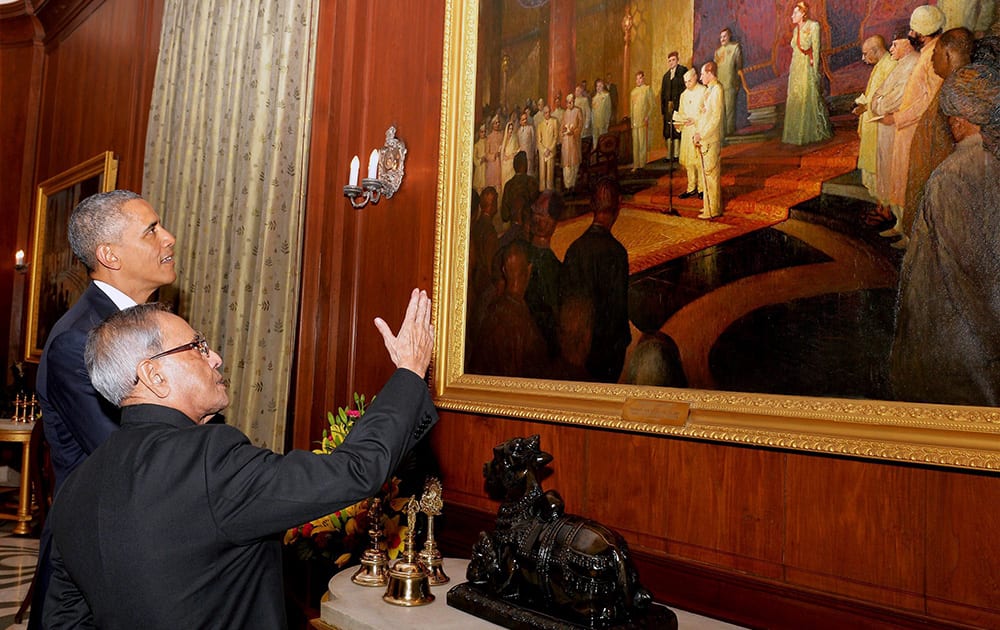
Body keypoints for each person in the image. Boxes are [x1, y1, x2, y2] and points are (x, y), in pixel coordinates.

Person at [44, 291, 437, 629]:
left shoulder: (77, 485)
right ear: (154, 376)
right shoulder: (206, 457)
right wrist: (409, 373)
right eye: (196, 347)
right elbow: (353, 471)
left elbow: (64, 619)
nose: (214, 357)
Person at [31, 189, 177, 629]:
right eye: (151, 230)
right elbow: (126, 456)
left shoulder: (150, 323)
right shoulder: (80, 339)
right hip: (97, 555)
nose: (168, 238)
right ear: (109, 254)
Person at [890, 63, 1000, 406]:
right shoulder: (992, 162)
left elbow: (964, 270)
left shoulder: (950, 176)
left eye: (951, 116)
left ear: (961, 119)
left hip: (955, 339)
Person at [881, 5, 947, 249]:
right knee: (900, 178)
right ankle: (901, 226)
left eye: (913, 29)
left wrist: (898, 118)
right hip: (906, 127)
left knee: (911, 181)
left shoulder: (934, 55)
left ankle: (911, 236)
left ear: (922, 32)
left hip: (916, 128)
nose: (911, 33)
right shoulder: (928, 50)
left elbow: (927, 101)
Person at [559, 177, 631, 383]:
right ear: (618, 205)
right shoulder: (617, 252)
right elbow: (618, 308)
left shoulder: (575, 249)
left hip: (579, 349)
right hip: (608, 351)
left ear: (592, 205)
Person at [869, 32, 920, 236]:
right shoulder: (900, 63)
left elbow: (895, 98)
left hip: (899, 127)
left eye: (895, 44)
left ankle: (906, 230)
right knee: (889, 174)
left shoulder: (913, 63)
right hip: (887, 126)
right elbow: (877, 95)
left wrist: (879, 105)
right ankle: (899, 225)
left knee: (899, 176)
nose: (891, 49)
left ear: (907, 45)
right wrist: (878, 104)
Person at [782, 2, 833, 145]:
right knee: (796, 96)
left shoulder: (813, 26)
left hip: (807, 65)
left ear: (803, 13)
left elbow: (816, 48)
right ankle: (796, 134)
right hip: (796, 66)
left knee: (807, 95)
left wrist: (815, 68)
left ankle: (812, 133)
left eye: (795, 13)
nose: (792, 16)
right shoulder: (795, 30)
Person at [852, 36, 895, 199]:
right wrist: (862, 104)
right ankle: (880, 205)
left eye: (865, 54)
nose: (863, 58)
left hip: (882, 125)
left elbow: (888, 98)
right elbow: (873, 95)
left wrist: (866, 106)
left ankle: (884, 208)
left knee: (881, 168)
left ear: (875, 50)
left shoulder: (890, 64)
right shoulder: (880, 64)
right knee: (874, 169)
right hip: (872, 122)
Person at [694, 62, 725, 219]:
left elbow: (715, 118)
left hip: (711, 138)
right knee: (706, 174)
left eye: (702, 74)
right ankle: (707, 206)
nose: (700, 77)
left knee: (711, 174)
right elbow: (704, 114)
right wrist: (697, 132)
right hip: (704, 138)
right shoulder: (708, 90)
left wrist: (703, 134)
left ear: (710, 73)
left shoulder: (717, 89)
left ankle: (713, 209)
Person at [677, 68, 707, 200]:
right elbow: (681, 112)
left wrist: (695, 120)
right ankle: (691, 188)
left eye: (689, 81)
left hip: (698, 130)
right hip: (687, 131)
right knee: (689, 162)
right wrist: (680, 121)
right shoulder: (683, 95)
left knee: (699, 161)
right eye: (685, 82)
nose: (687, 84)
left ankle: (701, 189)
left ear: (695, 78)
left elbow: (706, 113)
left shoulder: (703, 91)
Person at [499, 151, 539, 247]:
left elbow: (504, 216)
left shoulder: (508, 185)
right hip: (529, 233)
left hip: (513, 234)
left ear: (514, 166)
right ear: (525, 165)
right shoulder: (531, 182)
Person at [714, 27, 744, 137]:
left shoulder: (735, 47)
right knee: (720, 110)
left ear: (729, 36)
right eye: (721, 37)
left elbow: (739, 67)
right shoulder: (717, 52)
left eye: (724, 36)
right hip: (719, 85)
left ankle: (730, 134)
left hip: (730, 83)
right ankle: (722, 134)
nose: (722, 39)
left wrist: (737, 82)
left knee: (730, 110)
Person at [660, 51, 687, 160]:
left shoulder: (682, 71)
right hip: (668, 108)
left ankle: (676, 154)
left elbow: (685, 89)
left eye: (673, 60)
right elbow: (662, 94)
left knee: (677, 128)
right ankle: (669, 154)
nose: (671, 62)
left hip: (678, 106)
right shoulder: (666, 76)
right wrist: (663, 109)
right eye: (669, 61)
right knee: (668, 129)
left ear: (677, 60)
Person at [629, 70, 654, 170]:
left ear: (643, 78)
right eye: (637, 79)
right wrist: (631, 120)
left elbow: (652, 105)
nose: (638, 80)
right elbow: (631, 108)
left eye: (640, 78)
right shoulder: (633, 92)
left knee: (642, 143)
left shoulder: (647, 89)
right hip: (634, 121)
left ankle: (642, 164)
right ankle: (636, 164)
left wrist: (647, 116)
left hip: (643, 120)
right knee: (635, 144)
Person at [561, 92, 584, 191]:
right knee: (566, 164)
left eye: (571, 102)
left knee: (574, 163)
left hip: (574, 141)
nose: (570, 104)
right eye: (568, 102)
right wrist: (563, 131)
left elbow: (580, 125)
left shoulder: (578, 111)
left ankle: (573, 185)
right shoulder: (565, 113)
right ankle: (567, 185)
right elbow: (561, 127)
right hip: (566, 142)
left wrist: (574, 132)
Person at [537, 104, 559, 191]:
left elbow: (555, 137)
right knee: (542, 172)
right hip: (543, 152)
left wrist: (549, 149)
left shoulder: (554, 122)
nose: (547, 114)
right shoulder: (540, 125)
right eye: (545, 113)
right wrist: (544, 150)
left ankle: (550, 190)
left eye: (549, 112)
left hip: (551, 151)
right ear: (543, 114)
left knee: (550, 173)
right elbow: (539, 140)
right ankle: (542, 190)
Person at [517, 110, 538, 178]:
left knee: (529, 172)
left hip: (529, 154)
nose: (525, 121)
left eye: (526, 119)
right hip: (521, 156)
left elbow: (534, 141)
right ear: (520, 121)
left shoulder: (530, 128)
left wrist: (534, 153)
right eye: (523, 119)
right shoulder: (519, 131)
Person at [472, 123, 488, 194]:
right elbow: (475, 160)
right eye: (482, 132)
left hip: (487, 168)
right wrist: (481, 159)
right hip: (480, 170)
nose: (483, 133)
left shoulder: (488, 142)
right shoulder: (476, 145)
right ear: (479, 133)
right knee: (479, 190)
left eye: (484, 131)